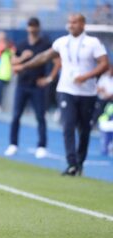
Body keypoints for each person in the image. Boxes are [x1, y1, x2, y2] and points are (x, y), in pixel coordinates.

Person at [13, 14, 109, 176]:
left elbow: (104, 63)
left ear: (83, 24)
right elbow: (43, 57)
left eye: (75, 22)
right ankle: (71, 163)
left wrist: (86, 76)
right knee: (68, 125)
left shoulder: (93, 43)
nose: (71, 25)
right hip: (66, 90)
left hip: (88, 92)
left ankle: (80, 162)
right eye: (69, 22)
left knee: (84, 129)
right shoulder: (62, 42)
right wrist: (24, 66)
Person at [4, 17, 61, 158]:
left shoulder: (45, 44)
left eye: (34, 26)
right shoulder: (22, 44)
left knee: (40, 117)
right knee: (16, 115)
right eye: (30, 26)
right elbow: (14, 65)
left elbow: (57, 62)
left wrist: (49, 78)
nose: (32, 28)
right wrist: (23, 57)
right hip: (22, 85)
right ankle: (13, 144)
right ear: (27, 28)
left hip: (37, 85)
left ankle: (41, 146)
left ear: (38, 28)